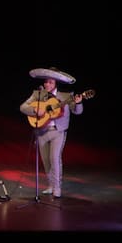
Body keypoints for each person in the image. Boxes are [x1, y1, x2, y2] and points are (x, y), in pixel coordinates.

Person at [20, 67, 86, 199]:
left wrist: (79, 102)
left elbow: (77, 112)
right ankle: (50, 185)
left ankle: (57, 187)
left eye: (50, 82)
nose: (47, 84)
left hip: (58, 131)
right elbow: (23, 107)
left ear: (55, 83)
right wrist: (35, 111)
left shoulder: (66, 96)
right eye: (46, 82)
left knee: (54, 158)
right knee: (45, 160)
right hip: (42, 131)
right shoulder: (38, 94)